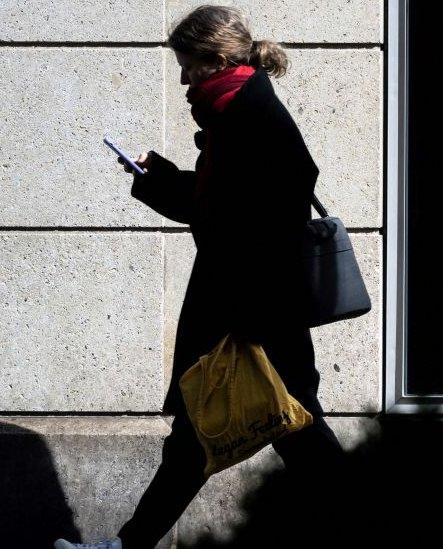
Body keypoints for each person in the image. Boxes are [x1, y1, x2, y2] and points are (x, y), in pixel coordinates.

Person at [54, 5, 346, 549]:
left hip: (254, 311)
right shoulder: (236, 113)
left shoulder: (250, 117)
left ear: (214, 61)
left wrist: (169, 185)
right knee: (202, 438)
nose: (183, 79)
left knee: (295, 429)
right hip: (247, 307)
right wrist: (157, 176)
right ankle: (129, 545)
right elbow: (220, 204)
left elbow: (245, 211)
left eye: (188, 66)